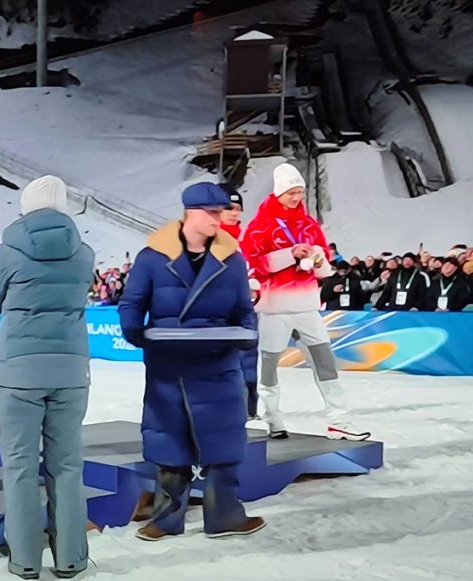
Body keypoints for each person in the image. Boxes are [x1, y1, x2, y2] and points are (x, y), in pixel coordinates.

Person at [119, 182, 265, 542]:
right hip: (170, 366)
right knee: (169, 442)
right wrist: (134, 330)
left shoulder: (232, 259)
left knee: (224, 442)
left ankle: (225, 516)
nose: (219, 219)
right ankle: (166, 519)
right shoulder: (152, 257)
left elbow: (243, 308)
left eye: (222, 212)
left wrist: (247, 333)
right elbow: (132, 302)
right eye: (213, 213)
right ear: (191, 213)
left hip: (219, 363)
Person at [0, 176, 94, 580]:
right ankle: (71, 558)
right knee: (68, 466)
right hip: (71, 370)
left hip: (20, 371)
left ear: (26, 206)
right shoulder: (84, 253)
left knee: (20, 468)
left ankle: (25, 559)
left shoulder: (8, 252)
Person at [241, 163, 370, 441]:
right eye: (291, 192)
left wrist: (319, 259)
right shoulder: (260, 227)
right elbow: (252, 264)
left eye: (300, 192)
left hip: (308, 306)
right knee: (269, 366)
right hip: (275, 308)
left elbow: (325, 270)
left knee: (325, 361)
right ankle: (273, 418)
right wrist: (290, 254)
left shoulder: (310, 225)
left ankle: (339, 420)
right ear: (279, 192)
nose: (297, 197)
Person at [217, 184, 260, 421]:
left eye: (237, 208)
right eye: (229, 208)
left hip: (246, 312)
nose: (234, 213)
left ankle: (250, 410)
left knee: (249, 361)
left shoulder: (245, 240)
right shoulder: (208, 241)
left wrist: (256, 287)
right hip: (220, 315)